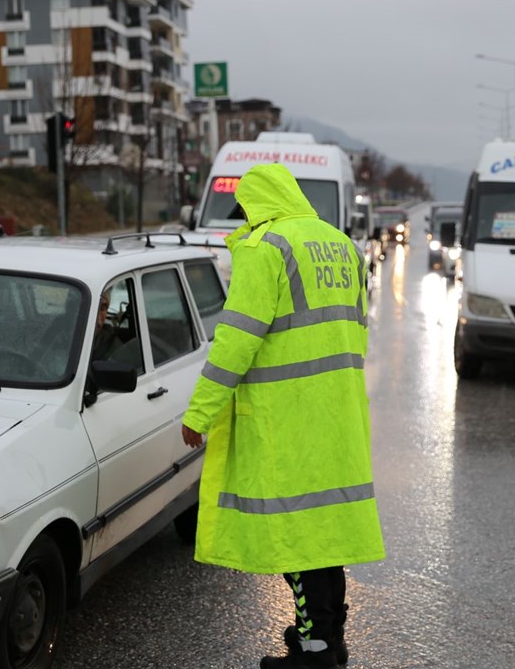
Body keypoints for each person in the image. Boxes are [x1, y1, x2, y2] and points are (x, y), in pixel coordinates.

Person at [180, 163, 385, 669]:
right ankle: (327, 636)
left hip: (284, 420)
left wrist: (200, 412)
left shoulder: (266, 247)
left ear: (258, 204)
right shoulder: (342, 245)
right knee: (324, 531)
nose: (243, 220)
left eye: (246, 210)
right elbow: (356, 330)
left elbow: (235, 341)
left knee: (294, 538)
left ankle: (314, 652)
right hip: (336, 416)